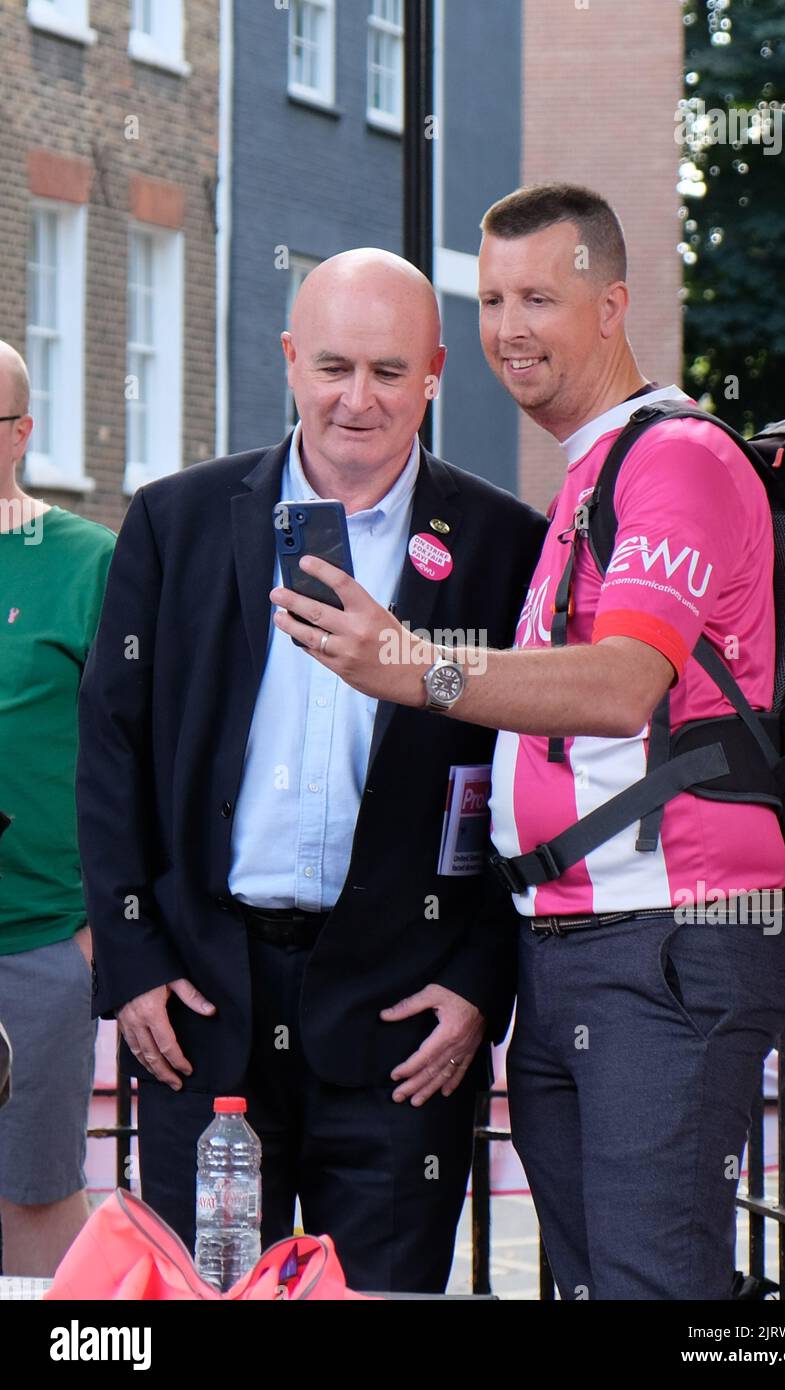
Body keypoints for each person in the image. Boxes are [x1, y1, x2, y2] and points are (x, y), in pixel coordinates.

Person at [270, 186, 785, 1300]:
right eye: (492, 297)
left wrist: (410, 666)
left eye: (540, 298)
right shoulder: (591, 471)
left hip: (661, 943)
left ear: (610, 305)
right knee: (606, 1284)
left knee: (654, 1287)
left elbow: (618, 685)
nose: (508, 326)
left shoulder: (673, 458)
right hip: (573, 946)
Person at [76, 248, 548, 1293]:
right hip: (201, 1003)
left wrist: (477, 982)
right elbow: (110, 748)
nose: (356, 400)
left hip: (399, 1019)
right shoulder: (173, 520)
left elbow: (530, 778)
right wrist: (134, 957)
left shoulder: (502, 543)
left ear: (434, 372)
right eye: (332, 366)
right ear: (288, 361)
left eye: (388, 371)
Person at [0, 341, 116, 1276]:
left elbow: (134, 759)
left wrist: (87, 942)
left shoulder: (86, 563)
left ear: (23, 434)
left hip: (36, 940)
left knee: (33, 1193)